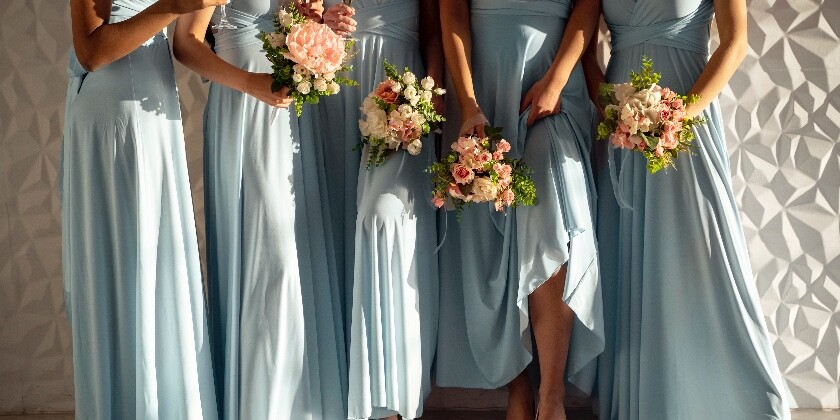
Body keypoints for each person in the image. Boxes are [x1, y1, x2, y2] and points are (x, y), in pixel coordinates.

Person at [583, 0, 791, 418]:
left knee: (704, 249)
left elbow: (736, 42)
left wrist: (680, 116)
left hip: (686, 118)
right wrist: (613, 107)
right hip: (624, 123)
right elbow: (586, 50)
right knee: (630, 250)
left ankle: (741, 399)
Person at [172, 1, 348, 418]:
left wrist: (319, 24)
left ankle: (304, 408)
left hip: (295, 117)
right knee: (271, 260)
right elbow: (185, 43)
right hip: (245, 109)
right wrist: (249, 83)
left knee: (300, 262)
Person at [436, 0, 604, 418]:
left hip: (557, 86)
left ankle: (551, 395)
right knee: (488, 231)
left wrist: (556, 80)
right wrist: (469, 101)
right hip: (481, 85)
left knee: (553, 214)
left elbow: (588, 8)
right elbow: (453, 13)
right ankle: (518, 387)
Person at [63, 0, 224, 417]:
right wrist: (174, 4)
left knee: (158, 270)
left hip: (154, 110)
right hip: (116, 119)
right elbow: (92, 52)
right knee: (127, 271)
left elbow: (189, 38)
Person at [319, 1, 443, 418]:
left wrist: (433, 93)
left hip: (400, 90)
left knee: (382, 216)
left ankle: (389, 402)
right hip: (329, 85)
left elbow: (433, 30)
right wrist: (316, 19)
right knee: (334, 230)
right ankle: (339, 394)